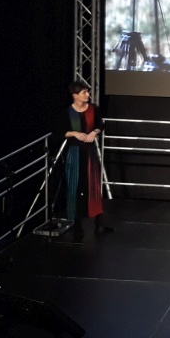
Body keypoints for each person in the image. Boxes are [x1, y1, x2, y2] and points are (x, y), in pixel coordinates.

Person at [56, 80, 112, 242]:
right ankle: (76, 224)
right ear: (75, 95)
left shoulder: (93, 109)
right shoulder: (67, 112)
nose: (88, 95)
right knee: (74, 186)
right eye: (84, 92)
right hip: (74, 152)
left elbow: (100, 124)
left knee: (93, 185)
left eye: (88, 92)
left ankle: (99, 218)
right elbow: (59, 132)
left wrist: (94, 132)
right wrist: (74, 133)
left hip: (89, 152)